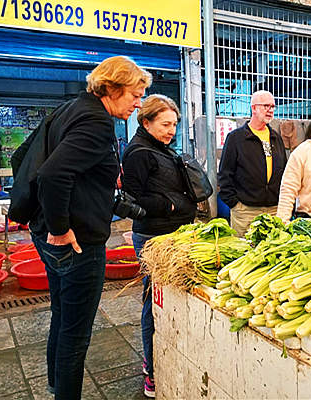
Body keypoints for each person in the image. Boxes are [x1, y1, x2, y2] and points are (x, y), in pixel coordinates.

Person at [29, 56, 151, 400]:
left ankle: (55, 384)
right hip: (77, 243)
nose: (138, 103)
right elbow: (53, 174)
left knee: (60, 314)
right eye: (134, 95)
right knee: (75, 336)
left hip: (50, 236)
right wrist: (60, 228)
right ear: (111, 88)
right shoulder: (97, 122)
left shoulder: (71, 108)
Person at [122, 95, 197, 398]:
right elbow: (131, 200)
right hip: (155, 238)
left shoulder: (159, 148)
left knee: (168, 300)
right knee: (154, 302)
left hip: (174, 234)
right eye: (166, 124)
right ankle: (152, 370)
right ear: (146, 122)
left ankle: (163, 357)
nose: (171, 130)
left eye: (174, 124)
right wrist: (168, 204)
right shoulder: (138, 153)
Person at [218, 90, 287, 236]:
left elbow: (284, 171)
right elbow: (225, 174)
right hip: (246, 211)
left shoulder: (276, 138)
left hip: (274, 210)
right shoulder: (236, 138)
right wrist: (235, 204)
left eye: (273, 106)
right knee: (244, 252)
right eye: (266, 106)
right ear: (253, 108)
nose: (270, 110)